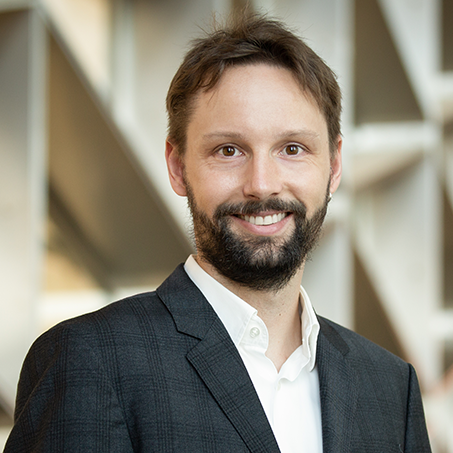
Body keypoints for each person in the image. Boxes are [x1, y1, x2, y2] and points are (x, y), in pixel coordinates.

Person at [5, 14, 431, 453]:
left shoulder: (390, 387)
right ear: (178, 167)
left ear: (334, 166)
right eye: (228, 150)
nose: (262, 184)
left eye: (292, 148)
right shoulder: (89, 359)